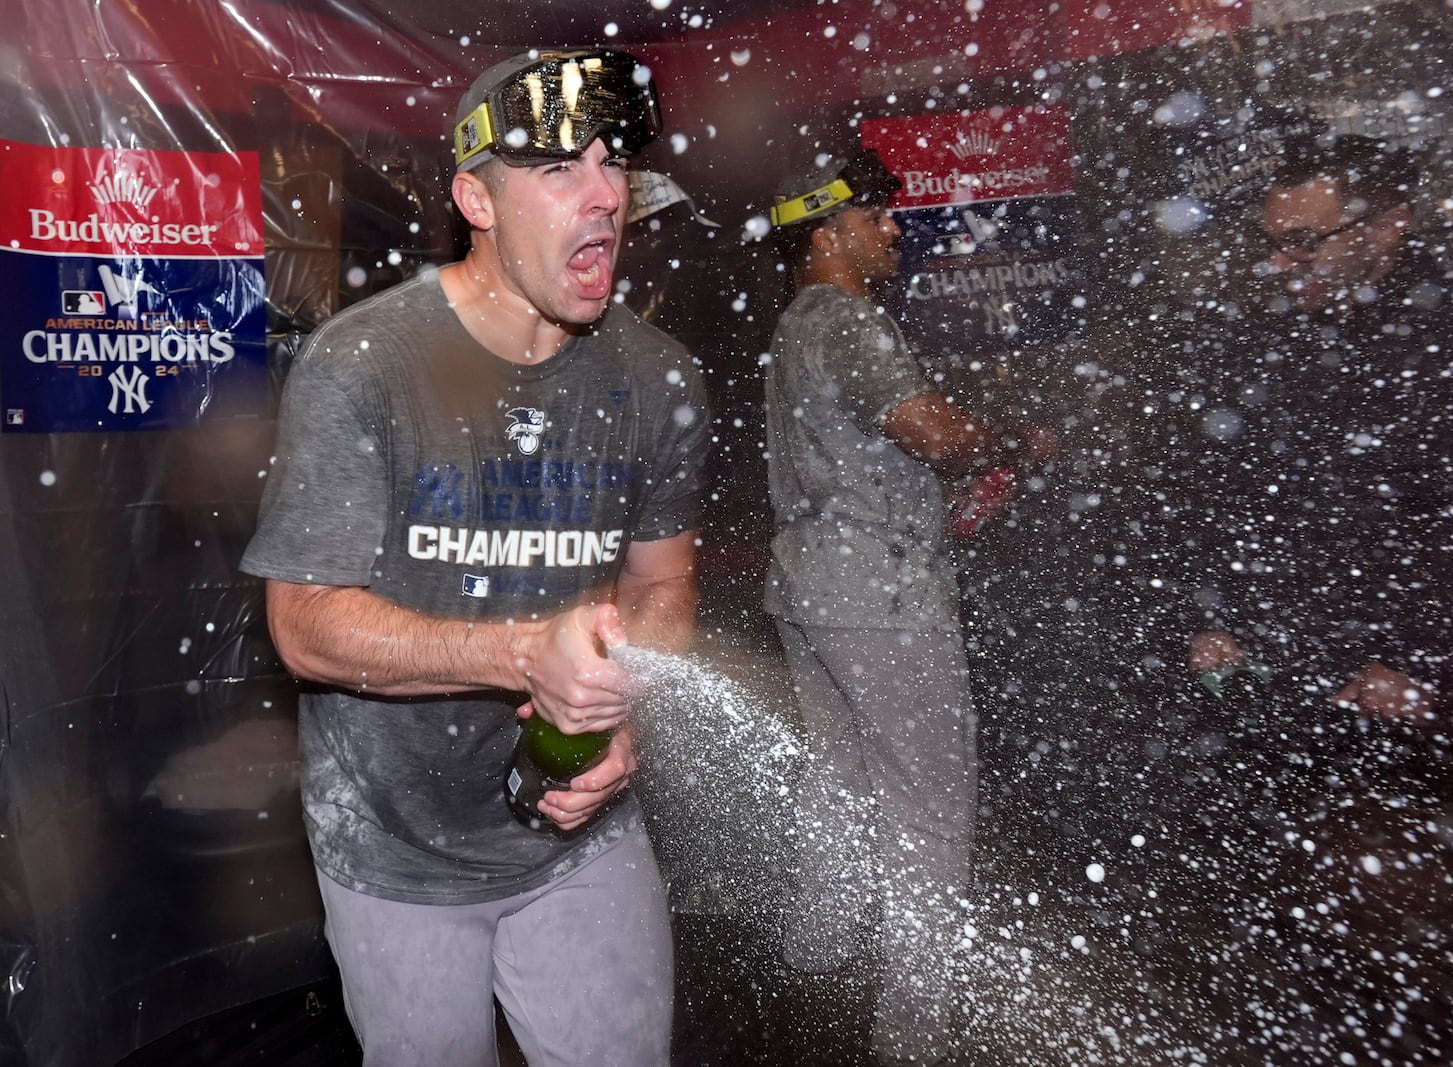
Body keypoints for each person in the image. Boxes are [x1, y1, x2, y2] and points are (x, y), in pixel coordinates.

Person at [239, 48, 709, 1067]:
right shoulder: (365, 365)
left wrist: (626, 705)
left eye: (611, 163)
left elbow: (663, 581)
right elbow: (304, 625)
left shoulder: (657, 374)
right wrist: (522, 654)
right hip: (392, 847)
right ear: (474, 198)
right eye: (556, 170)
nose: (602, 198)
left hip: (581, 830)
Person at [761, 145, 1054, 1067]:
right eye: (879, 215)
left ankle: (812, 979)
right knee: (931, 812)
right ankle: (917, 1037)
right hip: (879, 599)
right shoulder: (849, 320)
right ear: (831, 228)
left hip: (811, 588)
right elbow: (929, 430)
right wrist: (1007, 436)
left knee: (840, 789)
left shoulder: (795, 325)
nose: (894, 229)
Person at [1179, 133, 1453, 739]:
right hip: (1283, 679)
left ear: (1391, 225)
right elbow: (1226, 492)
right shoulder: (1269, 340)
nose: (1280, 264)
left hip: (1421, 695)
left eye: (1304, 243)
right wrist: (1213, 614)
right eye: (1272, 244)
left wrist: (1422, 661)